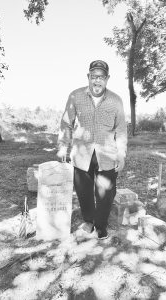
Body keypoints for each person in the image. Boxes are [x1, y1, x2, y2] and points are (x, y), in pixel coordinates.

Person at [57, 60, 127, 239]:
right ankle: (88, 220)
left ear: (107, 79)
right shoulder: (75, 96)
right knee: (84, 191)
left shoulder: (116, 100)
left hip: (107, 154)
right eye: (94, 76)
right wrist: (63, 146)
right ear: (88, 77)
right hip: (81, 153)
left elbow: (120, 129)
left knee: (106, 193)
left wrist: (121, 153)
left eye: (101, 77)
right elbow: (66, 123)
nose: (97, 81)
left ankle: (101, 225)